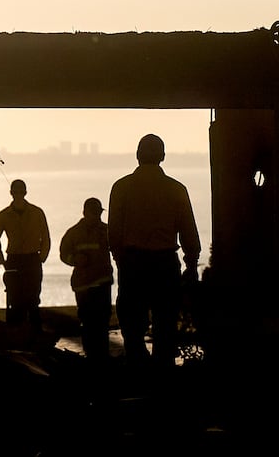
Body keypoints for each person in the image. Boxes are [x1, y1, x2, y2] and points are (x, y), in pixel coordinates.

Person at [108, 133, 201, 370]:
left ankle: (137, 368)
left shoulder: (121, 187)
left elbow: (114, 233)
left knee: (132, 324)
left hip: (133, 262)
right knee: (165, 322)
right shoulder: (176, 189)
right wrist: (191, 264)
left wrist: (121, 260)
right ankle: (163, 372)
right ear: (163, 156)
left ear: (138, 155)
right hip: (165, 263)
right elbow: (188, 229)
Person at [0, 178, 51, 340]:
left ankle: (35, 333)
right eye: (15, 191)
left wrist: (42, 257)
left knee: (33, 297)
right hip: (14, 260)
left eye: (20, 191)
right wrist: (1, 257)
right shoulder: (4, 215)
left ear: (25, 192)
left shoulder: (37, 212)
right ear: (11, 193)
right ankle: (14, 332)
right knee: (14, 297)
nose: (18, 194)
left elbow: (45, 236)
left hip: (32, 259)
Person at [59, 196, 114, 362]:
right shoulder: (73, 233)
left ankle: (102, 355)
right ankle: (91, 355)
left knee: (103, 320)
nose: (96, 216)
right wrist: (75, 260)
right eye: (93, 213)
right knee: (88, 321)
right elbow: (63, 254)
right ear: (85, 213)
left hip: (102, 283)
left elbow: (119, 247)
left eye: (98, 213)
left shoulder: (107, 231)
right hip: (83, 286)